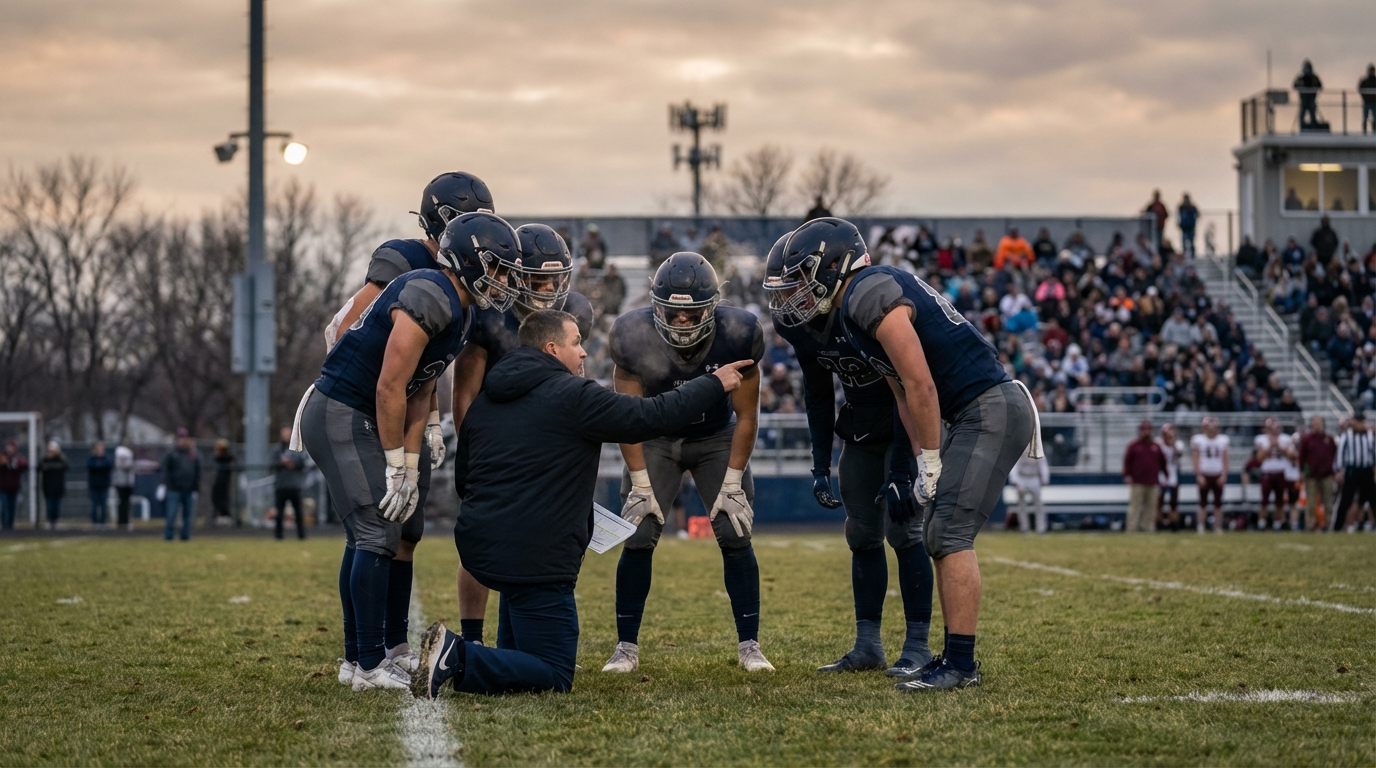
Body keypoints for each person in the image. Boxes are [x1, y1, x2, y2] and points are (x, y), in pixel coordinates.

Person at [416, 309, 754, 697]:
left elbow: (466, 480)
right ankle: (457, 655)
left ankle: (485, 659)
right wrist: (713, 383)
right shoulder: (574, 396)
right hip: (537, 559)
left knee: (520, 654)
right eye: (576, 343)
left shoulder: (486, 400)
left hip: (484, 549)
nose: (583, 354)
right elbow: (653, 415)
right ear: (551, 348)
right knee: (555, 672)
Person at [767, 217, 1037, 692]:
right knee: (939, 531)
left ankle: (960, 664)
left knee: (946, 531)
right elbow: (899, 391)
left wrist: (926, 460)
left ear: (833, 265)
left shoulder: (866, 292)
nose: (795, 294)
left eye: (803, 278)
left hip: (987, 405)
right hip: (970, 410)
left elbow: (921, 384)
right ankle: (952, 660)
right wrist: (916, 456)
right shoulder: (849, 309)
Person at [299, 211, 507, 692]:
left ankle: (360, 659)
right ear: (469, 261)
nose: (500, 281)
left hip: (366, 413)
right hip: (343, 409)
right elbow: (389, 385)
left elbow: (419, 388)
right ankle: (369, 663)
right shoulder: (430, 292)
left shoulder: (462, 308)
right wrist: (395, 464)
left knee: (379, 534)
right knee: (374, 532)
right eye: (495, 268)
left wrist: (410, 466)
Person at [762, 233, 934, 677]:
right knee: (861, 534)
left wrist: (903, 464)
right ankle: (868, 644)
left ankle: (917, 645)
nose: (791, 296)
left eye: (799, 281)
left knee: (906, 531)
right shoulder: (805, 325)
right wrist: (820, 461)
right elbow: (818, 394)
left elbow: (910, 389)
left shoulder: (867, 305)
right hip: (860, 426)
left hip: (907, 422)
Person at [602, 252, 773, 675]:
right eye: (673, 312)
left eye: (692, 312)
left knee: (735, 531)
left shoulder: (739, 332)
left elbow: (747, 416)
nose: (682, 321)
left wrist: (732, 481)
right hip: (655, 437)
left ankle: (750, 644)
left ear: (712, 307)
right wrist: (640, 484)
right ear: (657, 306)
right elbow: (629, 417)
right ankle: (626, 647)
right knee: (639, 533)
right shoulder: (632, 334)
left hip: (716, 437)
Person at [449, 223, 594, 647]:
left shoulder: (576, 312)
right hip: (498, 442)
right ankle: (473, 638)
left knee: (546, 540)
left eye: (555, 279)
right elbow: (465, 393)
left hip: (548, 444)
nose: (548, 288)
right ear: (514, 276)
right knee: (480, 537)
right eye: (538, 279)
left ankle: (529, 635)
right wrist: (474, 454)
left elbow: (578, 380)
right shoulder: (489, 315)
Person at [1332, 412, 1376, 533]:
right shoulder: (1347, 435)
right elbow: (1340, 453)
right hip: (1352, 470)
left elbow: (1374, 453)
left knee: (1373, 499)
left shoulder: (1370, 435)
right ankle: (1337, 527)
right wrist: (1339, 471)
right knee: (1346, 499)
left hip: (1367, 470)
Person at [1123, 421, 1165, 533]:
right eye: (1143, 430)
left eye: (1148, 430)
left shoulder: (1156, 446)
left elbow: (1162, 462)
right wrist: (1127, 475)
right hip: (1137, 481)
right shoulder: (1133, 446)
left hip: (1152, 481)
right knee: (1135, 506)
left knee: (1151, 507)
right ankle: (1131, 528)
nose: (1146, 432)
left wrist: (1165, 475)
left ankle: (1147, 527)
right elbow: (1127, 462)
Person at [1254, 417, 1295, 531]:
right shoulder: (1261, 439)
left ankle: (1278, 523)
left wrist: (1280, 447)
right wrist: (1271, 446)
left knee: (1279, 500)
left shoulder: (1285, 439)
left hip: (1281, 472)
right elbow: (1259, 458)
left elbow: (1291, 456)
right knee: (1264, 500)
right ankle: (1261, 523)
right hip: (1267, 472)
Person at [160, 428, 201, 541]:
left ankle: (185, 536)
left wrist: (195, 486)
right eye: (181, 438)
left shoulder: (193, 455)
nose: (183, 441)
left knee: (187, 516)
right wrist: (169, 485)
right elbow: (166, 471)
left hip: (188, 489)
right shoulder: (171, 455)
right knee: (171, 514)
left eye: (185, 438)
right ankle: (169, 536)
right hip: (174, 490)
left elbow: (197, 471)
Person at [1299, 416, 1338, 532]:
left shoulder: (1329, 439)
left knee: (1328, 502)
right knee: (1310, 502)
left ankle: (1329, 525)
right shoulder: (1307, 439)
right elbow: (1302, 457)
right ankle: (1310, 525)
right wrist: (1302, 471)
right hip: (1311, 475)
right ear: (1311, 424)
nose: (1317, 425)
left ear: (1323, 424)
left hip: (1327, 474)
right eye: (1314, 422)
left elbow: (1335, 456)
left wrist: (1335, 471)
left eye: (1319, 422)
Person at [273, 427, 308, 540]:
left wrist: (292, 464)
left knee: (298, 513)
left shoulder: (298, 449)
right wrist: (282, 463)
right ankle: (278, 536)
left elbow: (303, 464)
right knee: (279, 513)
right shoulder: (277, 450)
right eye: (285, 434)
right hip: (281, 486)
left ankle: (301, 535)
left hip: (295, 486)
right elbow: (272, 465)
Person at [1008, 444, 1050, 534]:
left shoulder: (1037, 449)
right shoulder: (1020, 450)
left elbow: (1043, 464)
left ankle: (1041, 528)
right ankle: (1024, 528)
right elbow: (1015, 466)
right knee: (1021, 505)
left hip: (1034, 477)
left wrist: (1045, 478)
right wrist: (1015, 481)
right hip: (1022, 477)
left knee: (1038, 504)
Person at [1157, 425, 1185, 530]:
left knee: (1174, 500)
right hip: (1161, 473)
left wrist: (1172, 442)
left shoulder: (1178, 444)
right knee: (1160, 500)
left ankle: (1174, 522)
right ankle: (1158, 522)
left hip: (1173, 473)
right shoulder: (1158, 443)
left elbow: (1178, 453)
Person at [40, 442, 68, 531]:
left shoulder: (61, 459)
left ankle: (55, 521)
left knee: (56, 506)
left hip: (58, 487)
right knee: (50, 506)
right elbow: (39, 467)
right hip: (48, 487)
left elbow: (66, 466)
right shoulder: (45, 459)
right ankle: (49, 521)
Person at [0, 441, 27, 531]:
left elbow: (24, 465)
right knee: (4, 507)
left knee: (12, 507)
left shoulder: (17, 458)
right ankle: (4, 524)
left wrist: (14, 462)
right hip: (3, 487)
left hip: (14, 487)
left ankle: (10, 525)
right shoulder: (3, 456)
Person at [86, 442, 113, 530]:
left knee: (103, 505)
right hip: (94, 486)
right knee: (94, 505)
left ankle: (103, 522)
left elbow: (108, 466)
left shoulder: (106, 459)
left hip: (104, 486)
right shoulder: (92, 459)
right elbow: (91, 467)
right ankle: (95, 523)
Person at [211, 439, 235, 526]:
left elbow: (234, 462)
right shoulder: (216, 459)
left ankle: (226, 517)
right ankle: (217, 517)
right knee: (216, 501)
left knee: (224, 502)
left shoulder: (228, 459)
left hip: (225, 485)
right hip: (217, 484)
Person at [1294, 59, 1323, 130]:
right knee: (1302, 116)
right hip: (1303, 101)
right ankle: (1303, 127)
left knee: (1313, 115)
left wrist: (1314, 87)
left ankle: (1314, 126)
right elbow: (1294, 85)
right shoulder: (1301, 78)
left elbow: (1320, 85)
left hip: (1311, 100)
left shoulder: (1314, 78)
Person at [113, 442, 135, 530]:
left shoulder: (125, 453)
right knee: (122, 502)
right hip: (121, 483)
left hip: (127, 482)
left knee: (126, 503)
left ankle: (125, 521)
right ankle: (121, 521)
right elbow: (126, 466)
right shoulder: (120, 452)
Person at [1360, 64, 1376, 135]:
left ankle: (1374, 131)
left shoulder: (1366, 80)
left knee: (1374, 118)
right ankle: (1365, 132)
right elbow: (1360, 89)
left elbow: (1360, 88)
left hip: (1373, 102)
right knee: (1365, 118)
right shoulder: (1365, 81)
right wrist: (1364, 97)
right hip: (1367, 102)